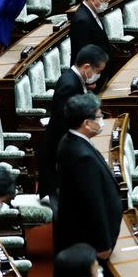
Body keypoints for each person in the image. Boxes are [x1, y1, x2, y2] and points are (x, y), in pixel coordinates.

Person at [53, 93, 121, 259]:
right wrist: (103, 243)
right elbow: (93, 202)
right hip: (88, 241)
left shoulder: (70, 140)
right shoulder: (83, 157)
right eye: (98, 116)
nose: (101, 120)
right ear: (86, 123)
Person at [39, 45, 108, 202]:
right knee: (63, 206)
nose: (98, 75)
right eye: (98, 71)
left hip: (63, 150)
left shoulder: (75, 80)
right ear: (86, 67)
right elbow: (62, 122)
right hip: (58, 154)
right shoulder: (69, 84)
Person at [68, 0, 112, 80]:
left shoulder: (91, 13)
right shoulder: (82, 20)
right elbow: (83, 53)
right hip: (91, 77)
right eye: (104, 2)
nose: (106, 5)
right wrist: (90, 81)